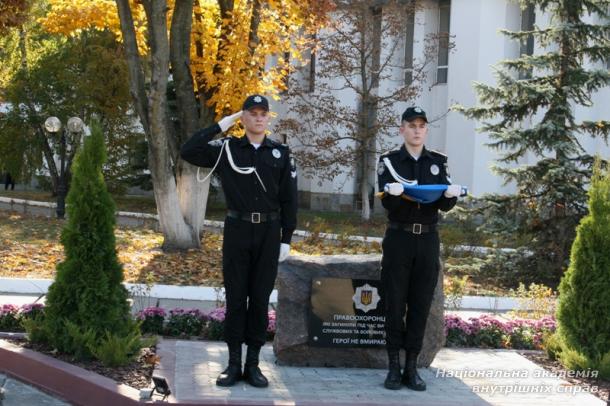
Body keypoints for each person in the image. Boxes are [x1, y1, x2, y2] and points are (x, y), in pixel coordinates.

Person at [180, 95, 297, 388]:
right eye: (251, 113)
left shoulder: (280, 153)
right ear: (243, 117)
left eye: (262, 114)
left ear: (268, 118)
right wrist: (222, 124)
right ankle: (233, 364)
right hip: (237, 230)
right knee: (235, 298)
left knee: (259, 299)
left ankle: (253, 365)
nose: (258, 118)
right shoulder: (226, 149)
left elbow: (289, 200)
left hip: (269, 232)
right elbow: (189, 150)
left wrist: (287, 239)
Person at [377, 106, 462, 391]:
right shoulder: (389, 161)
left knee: (420, 304)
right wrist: (393, 194)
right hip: (399, 239)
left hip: (427, 240)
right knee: (394, 303)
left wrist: (451, 197)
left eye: (421, 125)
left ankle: (411, 367)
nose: (416, 130)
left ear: (426, 130)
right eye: (411, 125)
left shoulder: (437, 162)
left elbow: (444, 203)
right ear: (402, 129)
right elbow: (385, 201)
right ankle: (393, 367)